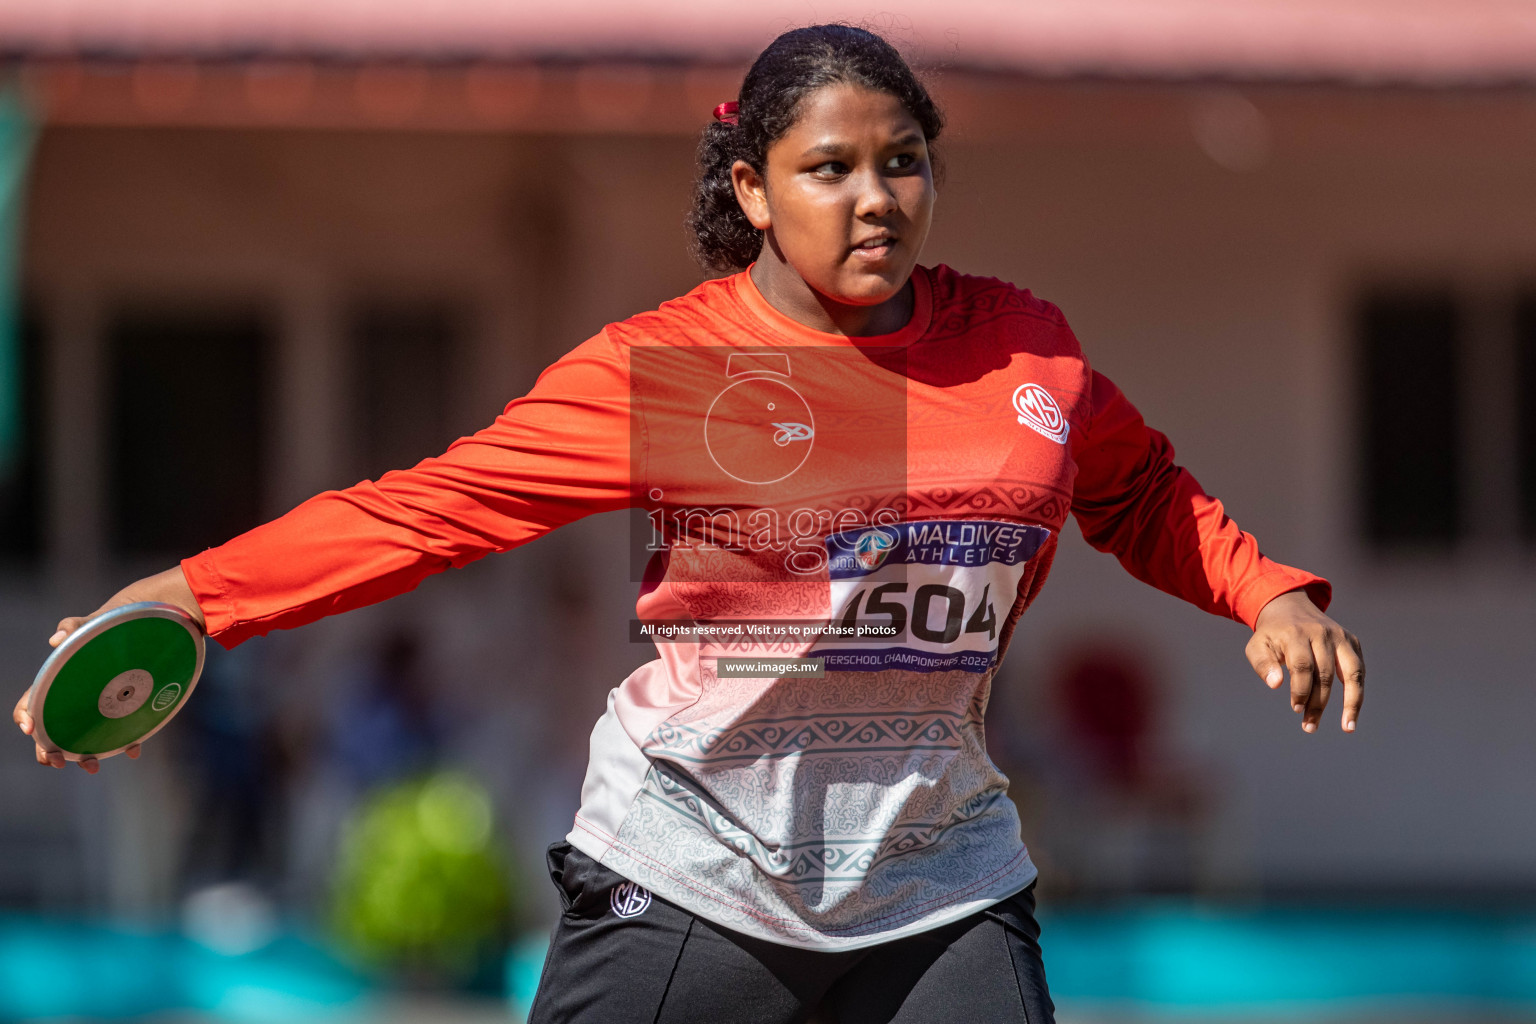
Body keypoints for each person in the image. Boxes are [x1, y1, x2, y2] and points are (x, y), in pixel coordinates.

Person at [14, 24, 1365, 1023]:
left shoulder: (1024, 351)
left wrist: (1268, 595)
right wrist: (196, 596)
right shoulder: (664, 370)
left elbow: (1135, 489)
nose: (876, 196)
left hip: (940, 884)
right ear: (754, 190)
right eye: (828, 167)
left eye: (904, 163)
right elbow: (428, 514)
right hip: (691, 874)